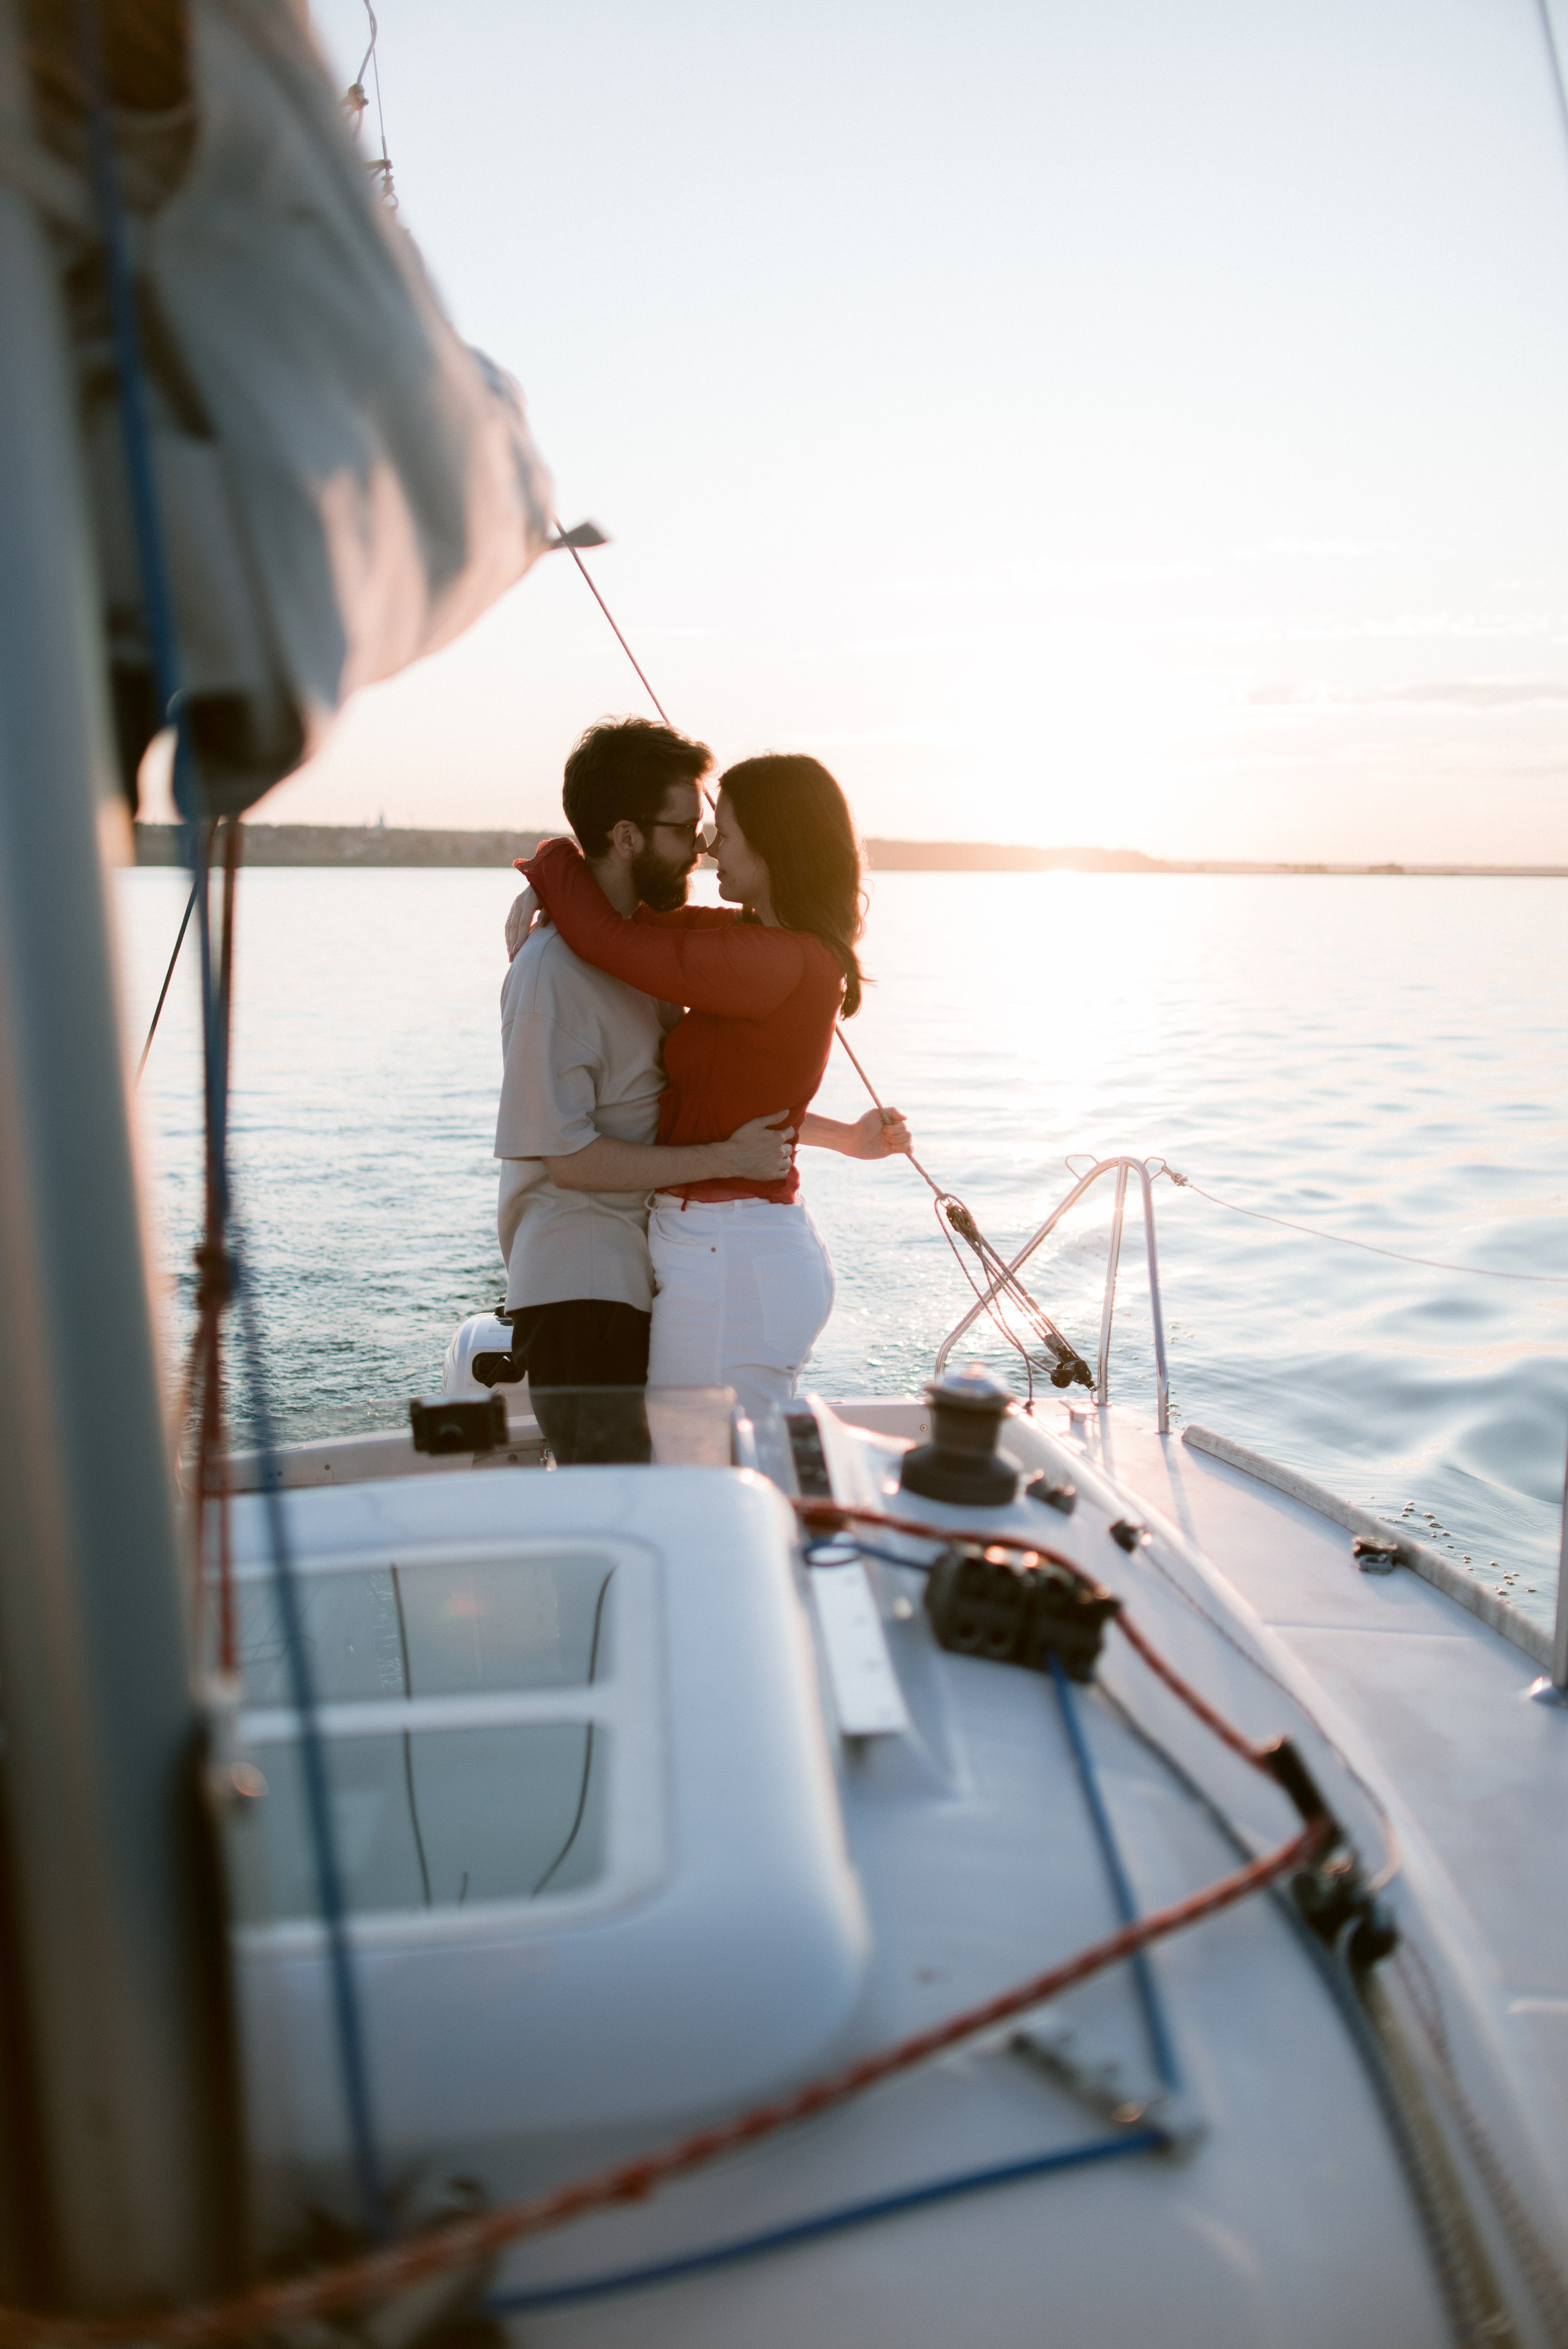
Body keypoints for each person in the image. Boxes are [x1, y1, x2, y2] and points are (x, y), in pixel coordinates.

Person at [519, 752, 910, 1423]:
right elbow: (629, 930)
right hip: (731, 1250)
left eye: (723, 833)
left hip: (731, 1258)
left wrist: (552, 858)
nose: (708, 846)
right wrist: (844, 1137)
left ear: (773, 845)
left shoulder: (769, 959)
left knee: (707, 1478)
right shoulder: (759, 941)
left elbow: (607, 937)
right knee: (715, 1474)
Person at [494, 718, 794, 1462]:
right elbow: (569, 1160)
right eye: (684, 829)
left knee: (666, 1490)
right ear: (626, 837)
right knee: (618, 1502)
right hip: (580, 1293)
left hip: (640, 1272)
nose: (699, 846)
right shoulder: (550, 975)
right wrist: (725, 1155)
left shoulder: (639, 948)